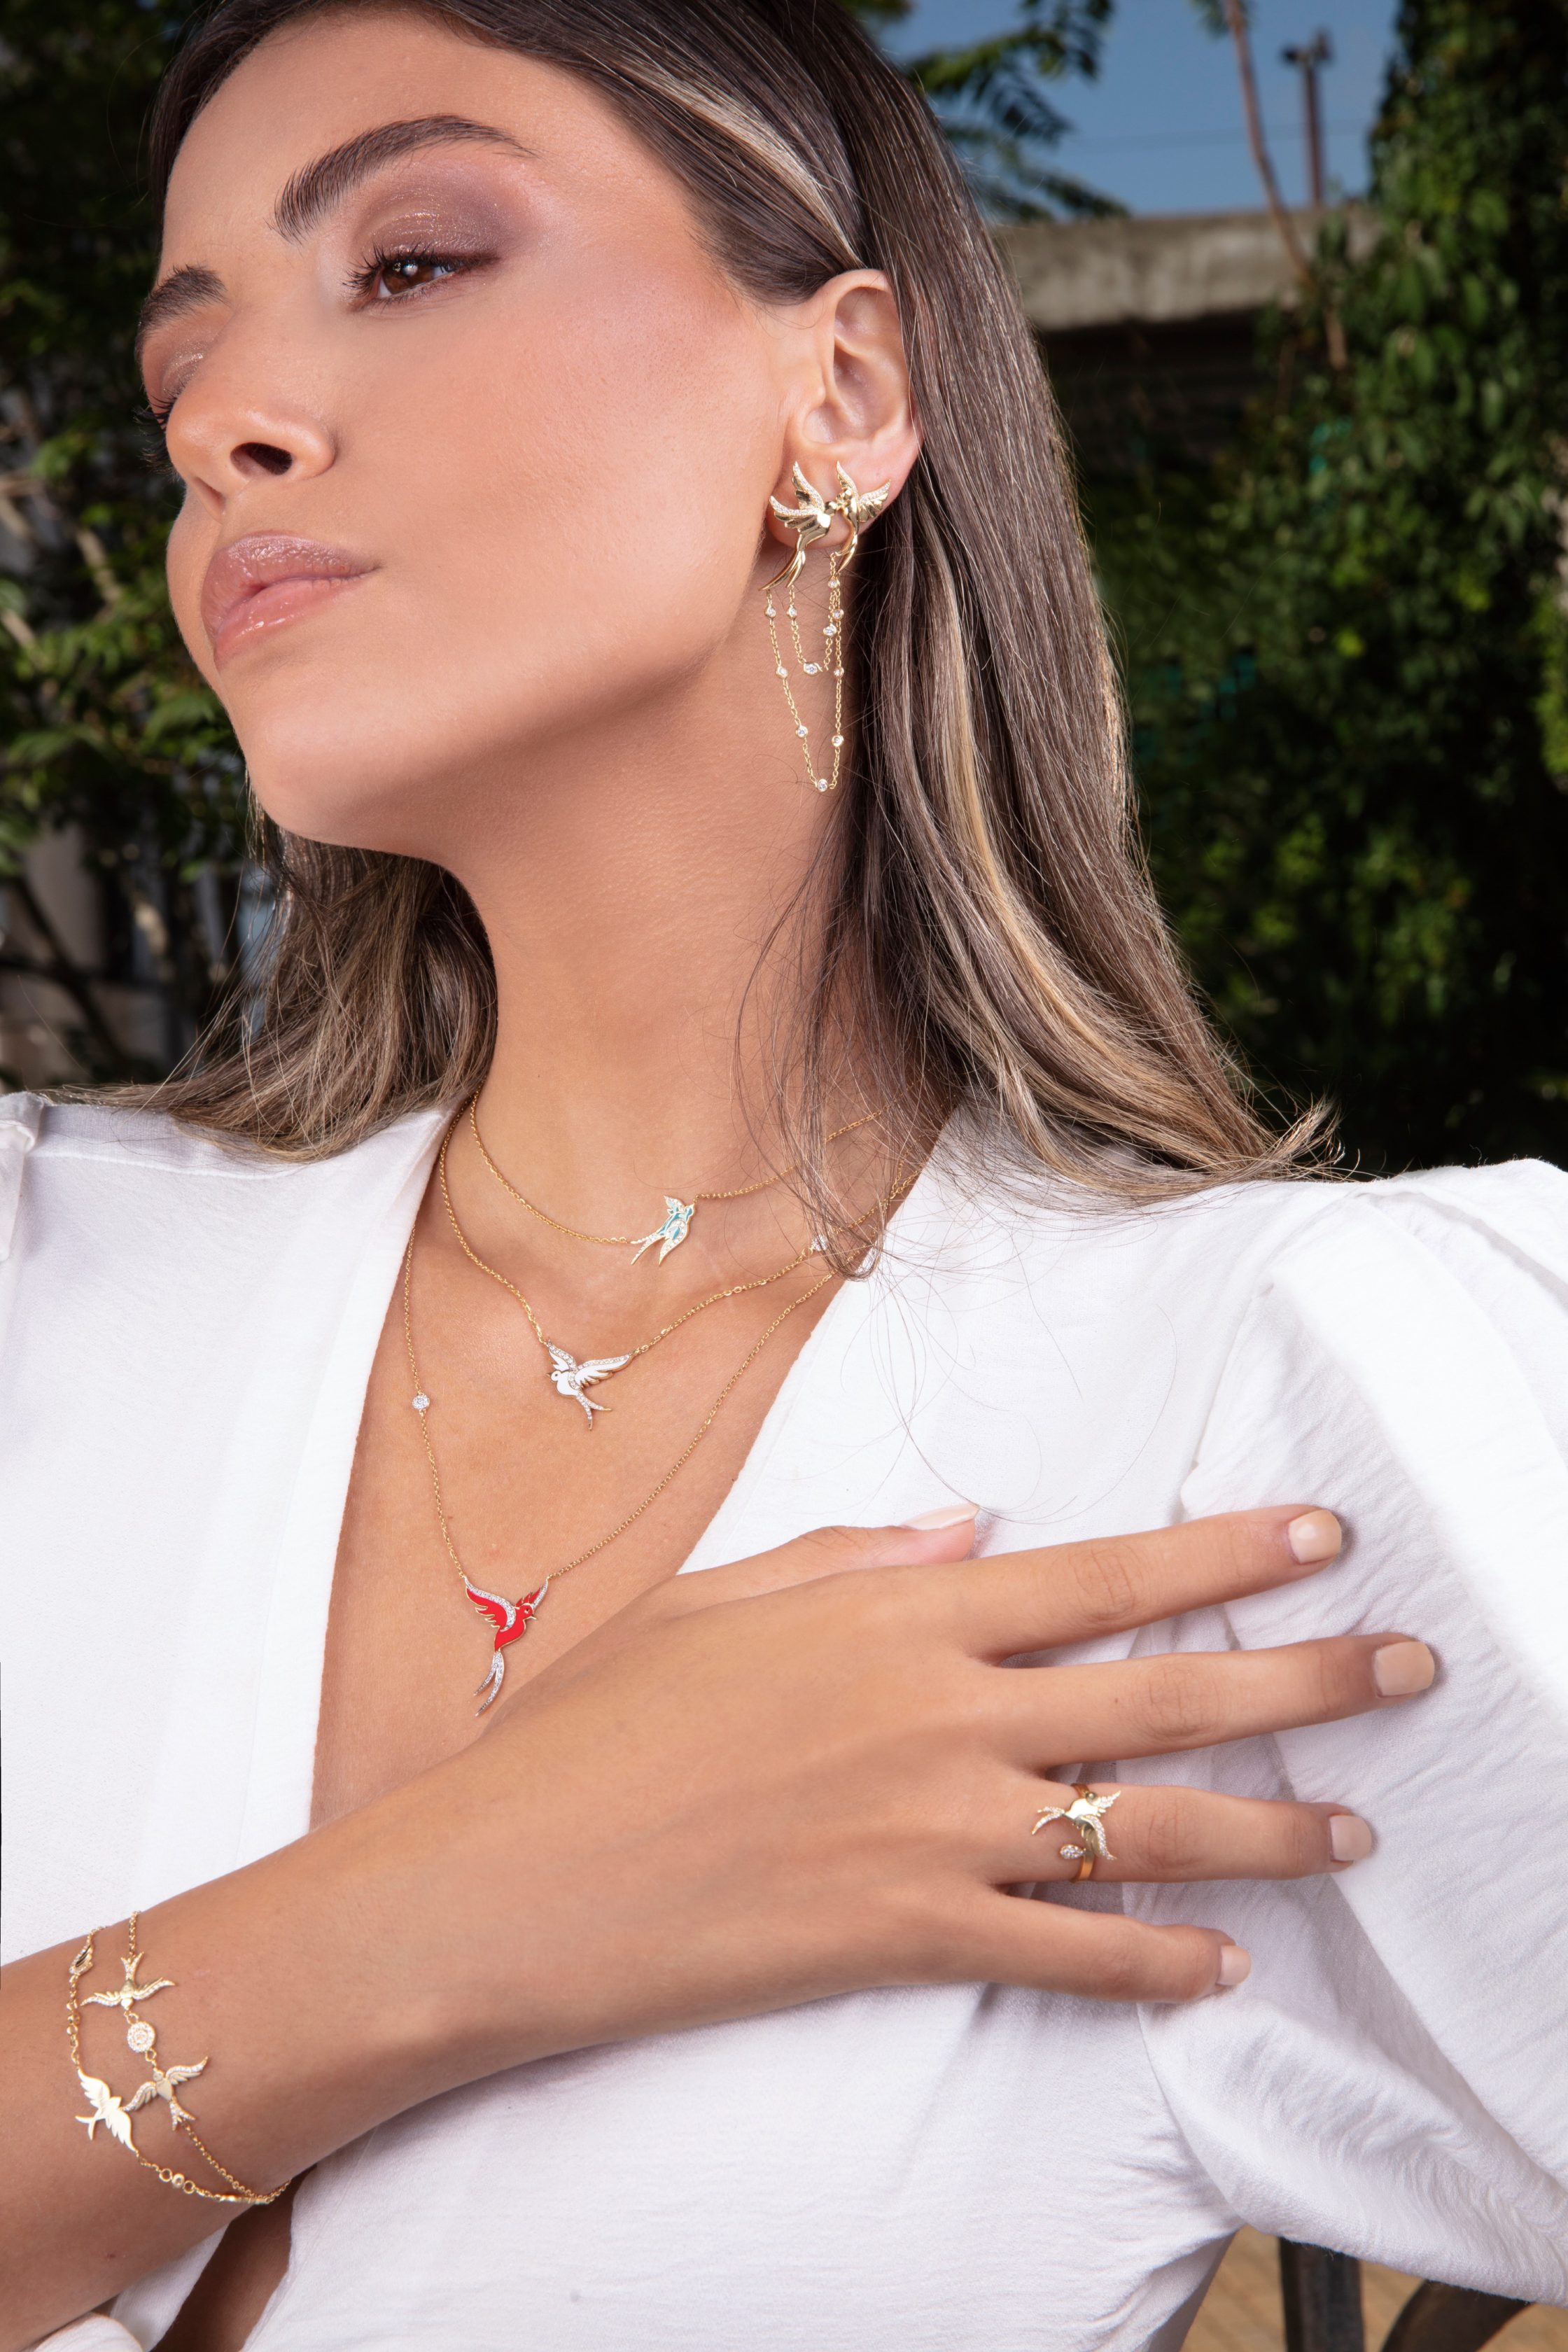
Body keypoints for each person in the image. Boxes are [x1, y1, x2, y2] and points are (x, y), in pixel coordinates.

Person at [2, 2, 1565, 2346]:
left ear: (840, 389)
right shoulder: (42, 1271)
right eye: (180, 373)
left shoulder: (1257, 1400)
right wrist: (475, 1898)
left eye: (412, 260)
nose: (227, 426)